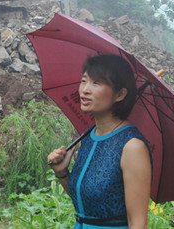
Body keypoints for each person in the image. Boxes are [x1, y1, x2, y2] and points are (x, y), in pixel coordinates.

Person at [47, 54, 151, 229]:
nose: (85, 90)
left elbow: (138, 223)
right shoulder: (88, 137)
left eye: (96, 83)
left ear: (120, 94)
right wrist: (62, 173)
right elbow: (87, 207)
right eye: (84, 80)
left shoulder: (131, 146)